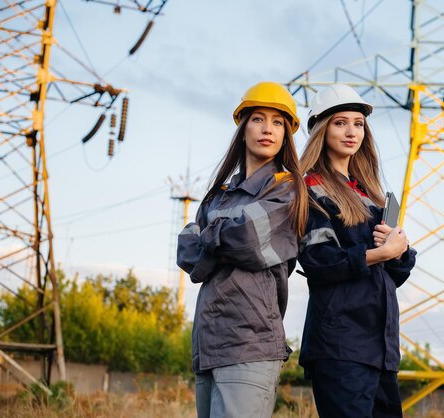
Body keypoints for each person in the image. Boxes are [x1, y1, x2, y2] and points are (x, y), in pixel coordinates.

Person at [177, 81, 307, 418]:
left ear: (286, 134)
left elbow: (247, 239)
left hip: (251, 343)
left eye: (278, 122)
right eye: (258, 119)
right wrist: (222, 236)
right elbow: (186, 251)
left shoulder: (289, 190)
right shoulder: (219, 194)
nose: (267, 129)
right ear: (243, 126)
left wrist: (210, 235)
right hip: (207, 343)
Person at [297, 84, 417, 418]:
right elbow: (320, 262)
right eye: (340, 122)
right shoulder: (310, 189)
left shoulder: (373, 196)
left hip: (380, 346)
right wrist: (380, 253)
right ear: (322, 128)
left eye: (358, 123)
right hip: (339, 343)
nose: (352, 131)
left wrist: (401, 249)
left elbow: (394, 274)